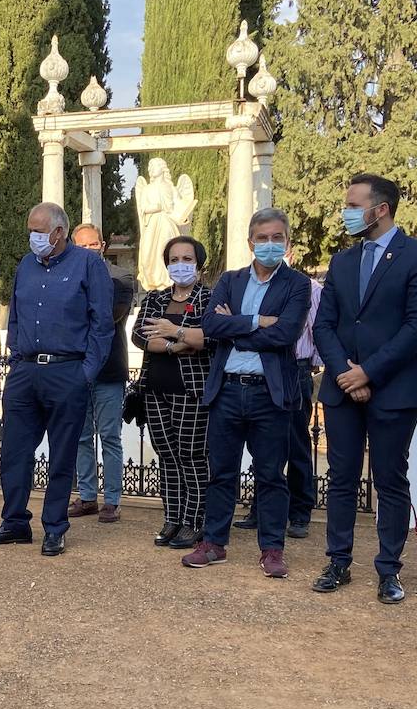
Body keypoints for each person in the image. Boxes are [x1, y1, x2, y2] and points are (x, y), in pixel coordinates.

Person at [312, 173, 417, 603]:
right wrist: (345, 372)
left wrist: (368, 372)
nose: (347, 212)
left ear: (380, 208)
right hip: (341, 387)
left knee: (389, 477)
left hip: (394, 389)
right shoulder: (342, 261)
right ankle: (338, 561)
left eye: (353, 204)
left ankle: (389, 569)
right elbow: (324, 324)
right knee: (342, 476)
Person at [0, 203, 113, 556]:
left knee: (62, 454)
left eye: (39, 232)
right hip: (26, 371)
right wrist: (15, 359)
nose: (34, 238)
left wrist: (86, 373)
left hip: (68, 371)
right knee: (14, 451)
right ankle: (15, 522)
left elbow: (102, 324)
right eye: (31, 232)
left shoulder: (88, 264)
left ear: (59, 232)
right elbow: (16, 316)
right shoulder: (26, 265)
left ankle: (54, 527)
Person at [181, 209, 312, 575]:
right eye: (262, 238)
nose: (270, 244)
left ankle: (272, 549)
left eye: (277, 238)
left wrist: (233, 326)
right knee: (221, 472)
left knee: (271, 474)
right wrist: (256, 322)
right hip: (226, 391)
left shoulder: (297, 284)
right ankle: (214, 542)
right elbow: (209, 324)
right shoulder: (230, 280)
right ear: (250, 241)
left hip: (268, 394)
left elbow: (285, 335)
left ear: (286, 242)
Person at [132, 236, 213, 550]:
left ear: (199, 263)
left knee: (191, 457)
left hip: (192, 392)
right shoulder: (155, 298)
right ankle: (173, 517)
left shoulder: (209, 297)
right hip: (154, 389)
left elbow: (211, 336)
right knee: (167, 456)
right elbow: (141, 335)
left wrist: (175, 331)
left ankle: (195, 521)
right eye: (174, 259)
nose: (180, 265)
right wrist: (176, 342)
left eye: (187, 259)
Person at [235, 264, 323, 538]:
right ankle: (261, 509)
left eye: (277, 240)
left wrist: (314, 366)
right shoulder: (250, 287)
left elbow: (313, 330)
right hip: (260, 367)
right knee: (265, 447)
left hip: (293, 369)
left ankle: (299, 512)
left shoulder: (310, 288)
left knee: (295, 442)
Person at [69, 224, 135, 523]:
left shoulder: (120, 277)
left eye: (92, 245)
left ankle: (112, 500)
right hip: (77, 368)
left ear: (103, 246)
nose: (87, 251)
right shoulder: (65, 277)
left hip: (108, 368)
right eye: (80, 247)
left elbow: (105, 318)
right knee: (81, 437)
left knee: (109, 436)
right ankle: (86, 497)